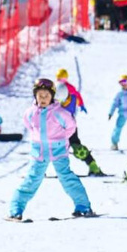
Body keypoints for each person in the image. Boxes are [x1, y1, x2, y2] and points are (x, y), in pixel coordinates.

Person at [7, 78, 96, 221]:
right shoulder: (30, 113)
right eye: (40, 95)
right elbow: (29, 125)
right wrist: (38, 139)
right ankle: (15, 210)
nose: (43, 99)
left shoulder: (60, 113)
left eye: (46, 96)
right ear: (35, 95)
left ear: (52, 96)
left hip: (58, 150)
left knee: (66, 177)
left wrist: (61, 139)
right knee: (32, 179)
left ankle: (83, 206)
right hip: (39, 151)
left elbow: (71, 127)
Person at [55, 68, 105, 176]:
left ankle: (93, 166)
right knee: (52, 148)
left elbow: (77, 96)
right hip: (57, 127)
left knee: (77, 148)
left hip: (68, 126)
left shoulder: (70, 92)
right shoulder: (56, 90)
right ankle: (39, 170)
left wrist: (81, 104)